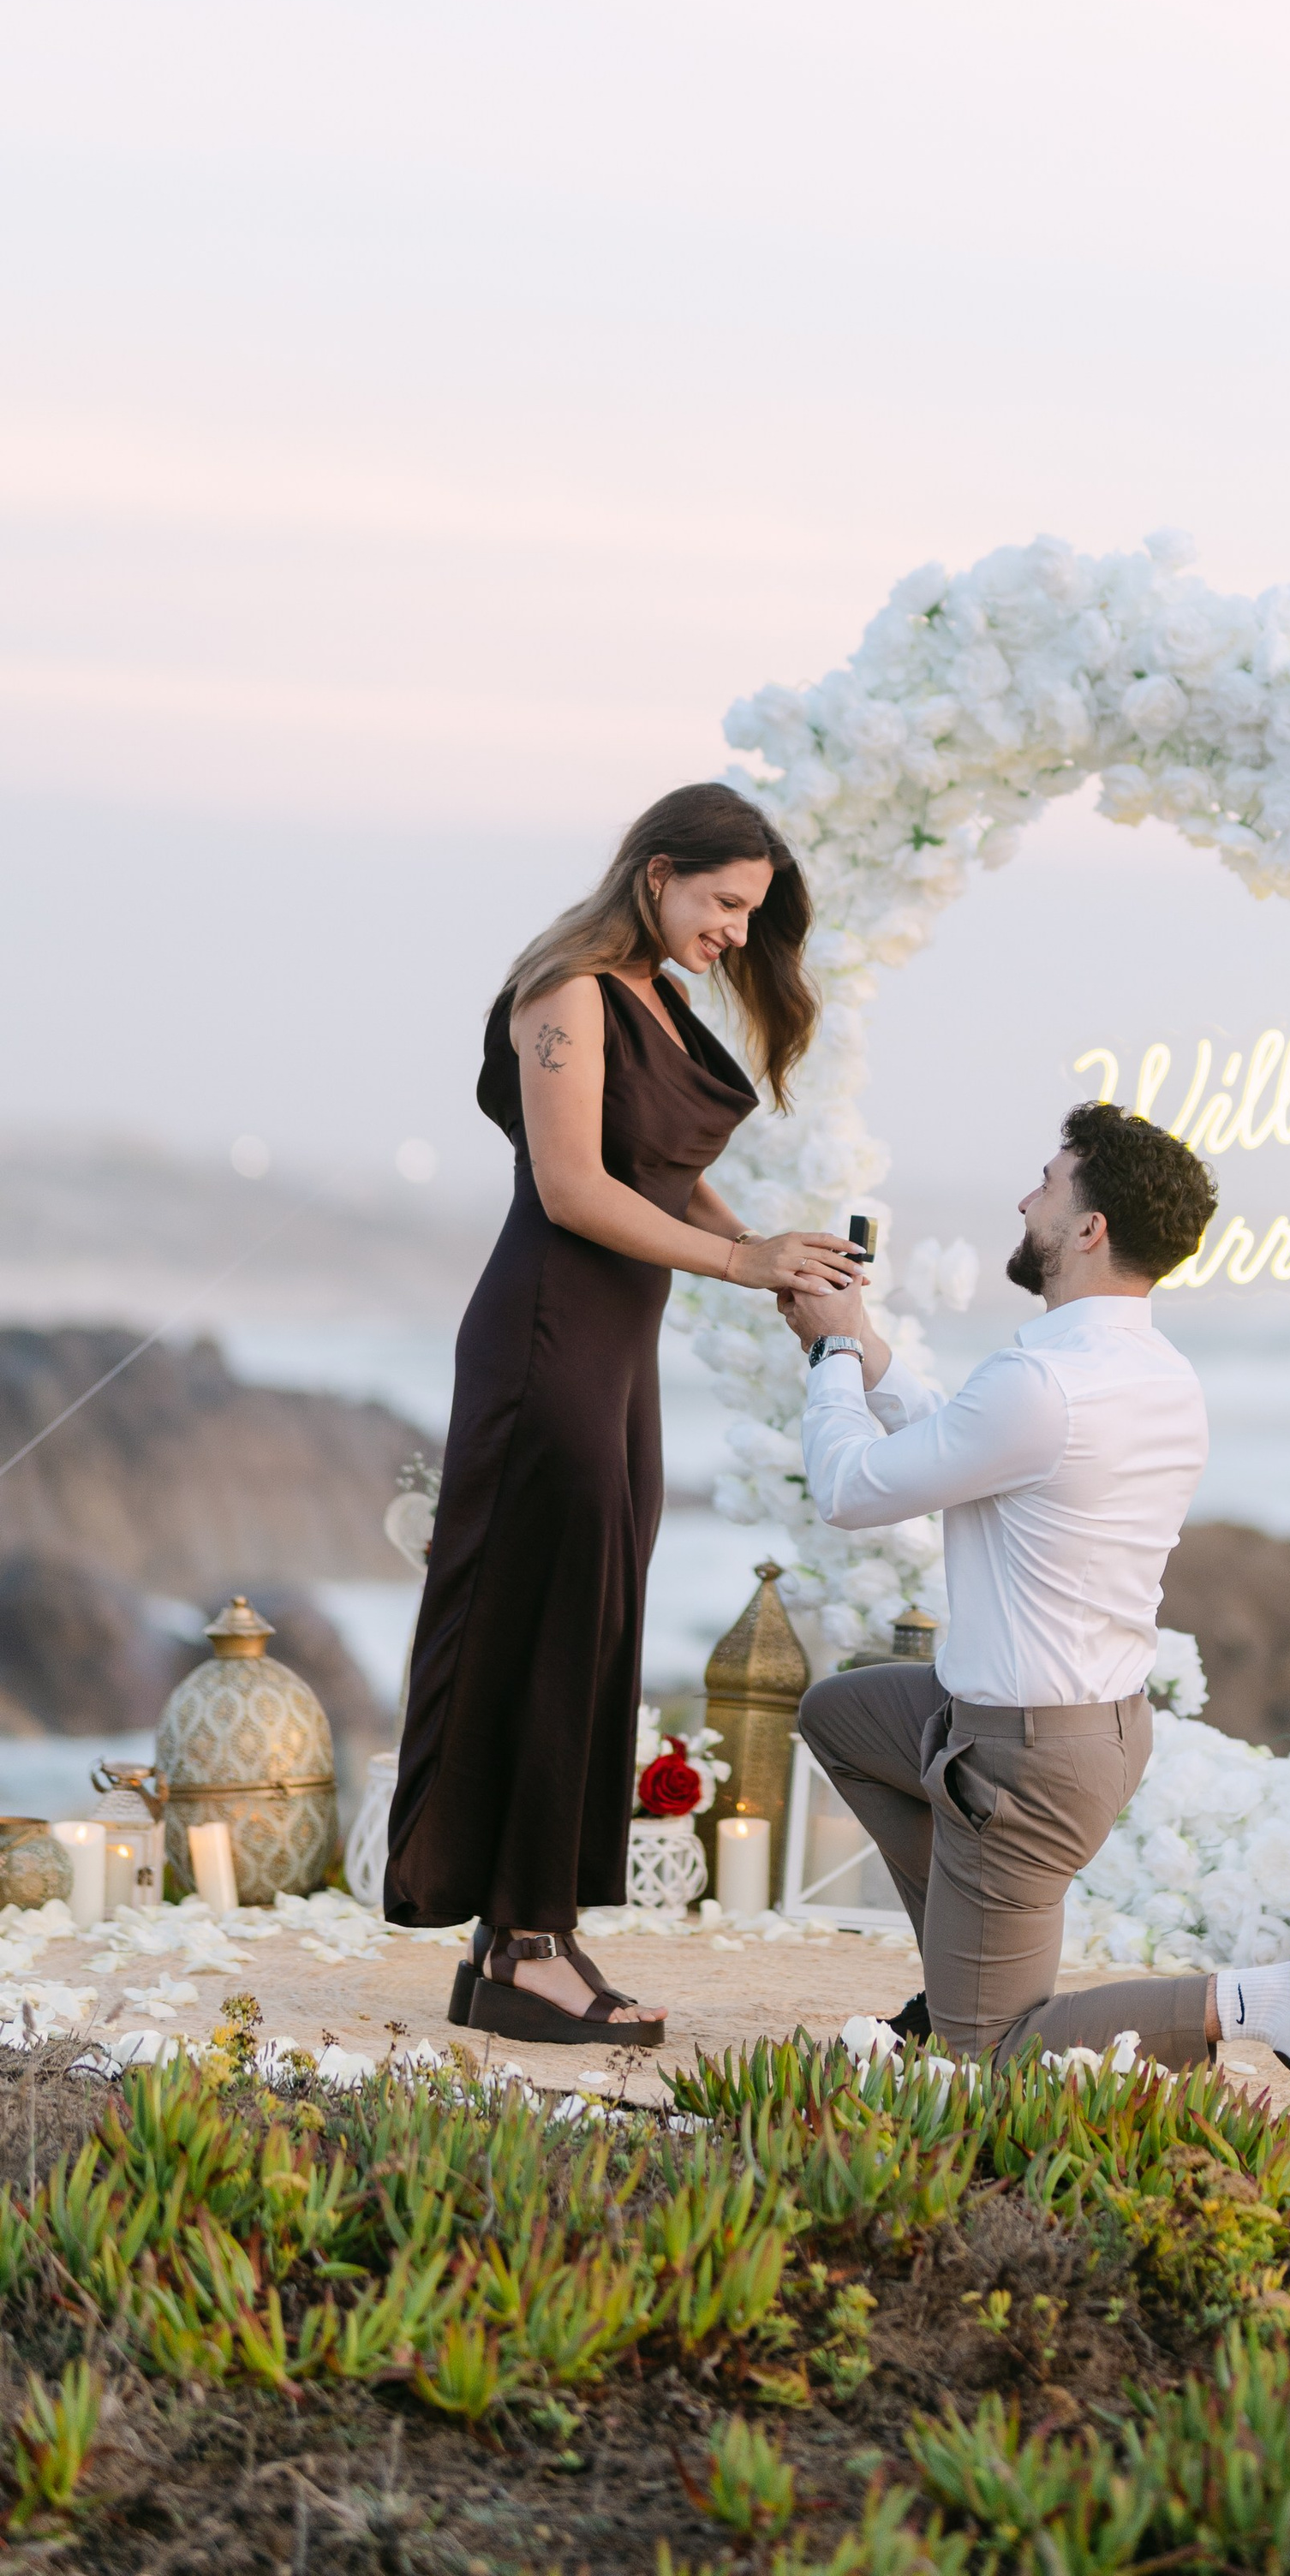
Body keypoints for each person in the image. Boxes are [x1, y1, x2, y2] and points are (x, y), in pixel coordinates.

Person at [785, 1100, 1290, 2126]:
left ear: (1090, 1229)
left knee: (990, 2060)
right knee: (841, 1714)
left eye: (1049, 1183)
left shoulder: (1043, 1382)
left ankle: (1278, 2001)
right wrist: (869, 1347)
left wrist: (831, 1357)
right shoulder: (1152, 1375)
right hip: (1089, 1728)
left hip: (1023, 1763)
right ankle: (959, 1969)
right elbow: (964, 1441)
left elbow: (849, 1491)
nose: (1027, 1198)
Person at [385, 783, 863, 2046]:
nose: (737, 935)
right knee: (544, 1619)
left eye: (754, 915)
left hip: (615, 1352)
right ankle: (524, 1946)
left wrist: (765, 1247)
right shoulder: (567, 991)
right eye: (723, 903)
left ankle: (528, 1936)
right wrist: (738, 1268)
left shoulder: (655, 994)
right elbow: (574, 1189)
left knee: (592, 1622)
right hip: (547, 1337)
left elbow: (664, 1171)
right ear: (656, 872)